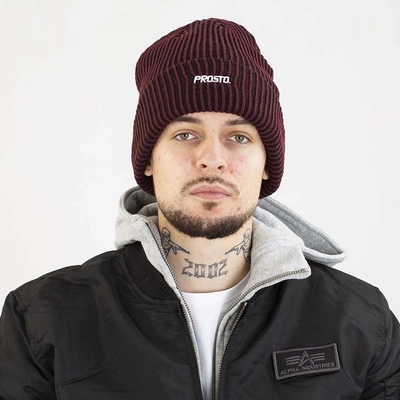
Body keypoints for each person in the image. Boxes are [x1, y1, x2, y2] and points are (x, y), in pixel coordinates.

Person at [0, 17, 399, 400]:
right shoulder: (41, 321)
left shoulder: (360, 323)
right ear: (148, 160)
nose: (212, 159)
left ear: (266, 164)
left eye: (239, 137)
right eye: (185, 134)